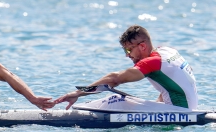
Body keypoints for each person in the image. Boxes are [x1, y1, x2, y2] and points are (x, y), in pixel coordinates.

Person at [54, 25, 198, 110]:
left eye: (128, 50)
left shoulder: (152, 62)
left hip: (178, 112)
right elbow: (171, 84)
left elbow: (114, 79)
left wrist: (77, 93)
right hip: (186, 109)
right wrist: (155, 107)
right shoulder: (167, 51)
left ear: (142, 46)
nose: (127, 55)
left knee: (117, 100)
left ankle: (76, 112)